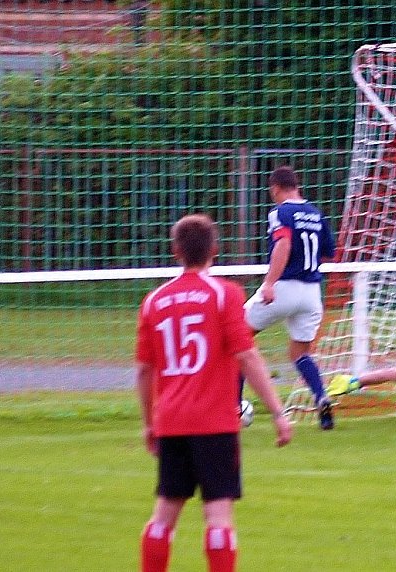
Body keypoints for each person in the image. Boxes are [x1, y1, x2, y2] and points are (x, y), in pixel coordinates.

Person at [136, 214, 292, 572]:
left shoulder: (154, 301)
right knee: (218, 515)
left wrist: (149, 423)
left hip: (171, 421)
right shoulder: (225, 294)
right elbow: (246, 356)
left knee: (164, 514)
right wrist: (277, 412)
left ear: (176, 251)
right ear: (214, 250)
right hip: (215, 423)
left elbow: (144, 370)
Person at [243, 165, 337, 430]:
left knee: (238, 336)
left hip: (284, 287)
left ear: (275, 189)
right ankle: (321, 397)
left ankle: (234, 407)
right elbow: (329, 251)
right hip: (311, 293)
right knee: (299, 353)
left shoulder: (280, 212)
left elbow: (283, 243)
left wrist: (269, 283)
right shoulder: (316, 214)